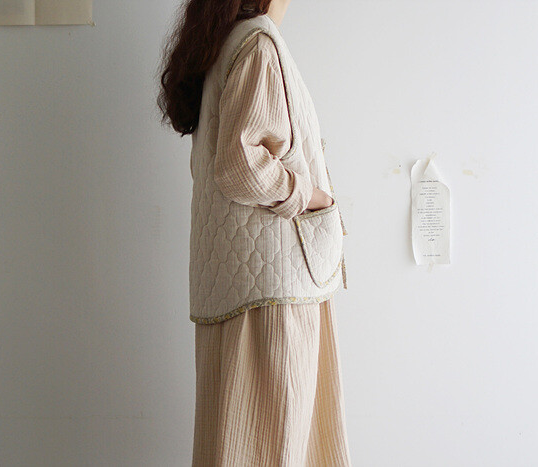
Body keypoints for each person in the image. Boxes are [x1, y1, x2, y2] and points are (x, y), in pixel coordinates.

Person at [157, 1, 351, 465]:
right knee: (279, 446)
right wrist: (311, 195)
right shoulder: (258, 42)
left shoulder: (221, 46)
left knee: (236, 443)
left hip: (237, 288)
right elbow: (239, 165)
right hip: (274, 291)